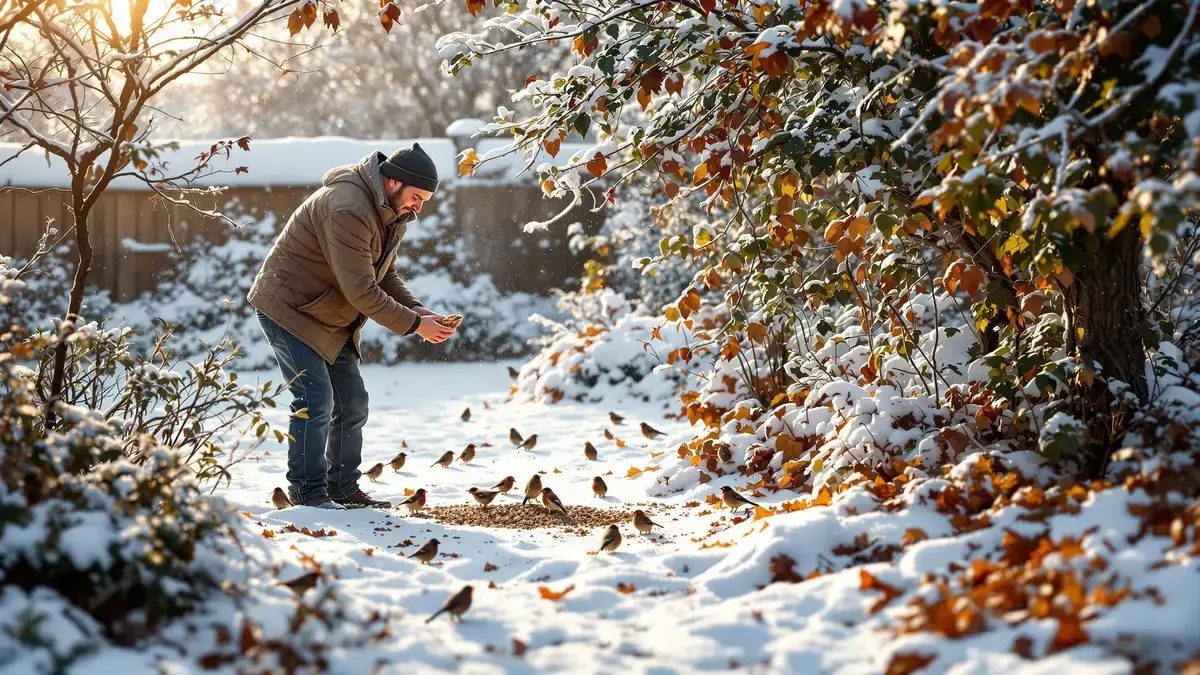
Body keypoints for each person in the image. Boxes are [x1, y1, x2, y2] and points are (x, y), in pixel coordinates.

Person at [247, 144, 457, 509]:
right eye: (417, 197)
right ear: (393, 182)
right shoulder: (348, 208)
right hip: (290, 309)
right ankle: (308, 491)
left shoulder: (389, 210)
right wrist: (414, 325)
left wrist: (417, 310)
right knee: (315, 398)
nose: (418, 208)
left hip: (329, 313)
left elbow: (383, 273)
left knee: (352, 401)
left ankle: (342, 487)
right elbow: (361, 290)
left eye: (424, 201)